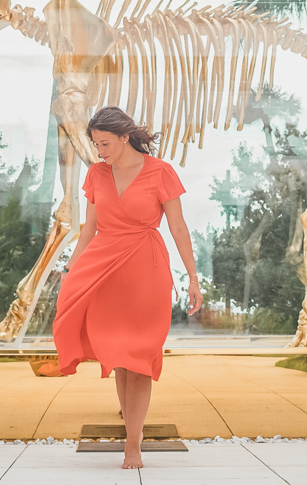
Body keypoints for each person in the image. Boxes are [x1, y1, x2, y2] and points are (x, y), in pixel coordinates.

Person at [53, 106, 203, 469]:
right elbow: (89, 229)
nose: (100, 150)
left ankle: (133, 445)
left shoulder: (160, 173)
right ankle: (129, 440)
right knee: (119, 358)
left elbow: (179, 229)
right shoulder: (96, 174)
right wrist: (72, 270)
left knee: (140, 358)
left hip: (146, 271)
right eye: (95, 144)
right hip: (103, 272)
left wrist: (193, 278)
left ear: (125, 137)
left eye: (105, 143)